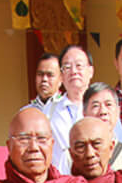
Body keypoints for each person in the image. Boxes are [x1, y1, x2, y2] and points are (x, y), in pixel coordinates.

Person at [50, 45, 118, 175]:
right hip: (64, 180)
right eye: (67, 67)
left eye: (79, 65)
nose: (74, 71)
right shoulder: (50, 111)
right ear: (61, 75)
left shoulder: (106, 109)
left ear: (91, 71)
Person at [68, 116, 122, 183]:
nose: (90, 154)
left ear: (111, 148)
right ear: (71, 153)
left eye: (96, 144)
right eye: (80, 147)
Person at [81, 83, 122, 170]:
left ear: (118, 111)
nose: (103, 111)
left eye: (108, 105)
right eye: (95, 106)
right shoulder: (73, 155)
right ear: (84, 113)